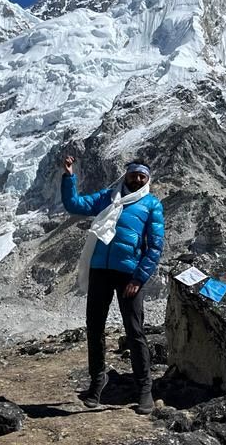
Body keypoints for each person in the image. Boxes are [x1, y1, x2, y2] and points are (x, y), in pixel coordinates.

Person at [61, 155, 165, 414]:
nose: (137, 178)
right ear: (126, 174)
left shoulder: (152, 204)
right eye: (133, 174)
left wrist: (139, 278)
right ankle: (97, 382)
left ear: (147, 179)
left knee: (135, 332)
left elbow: (155, 246)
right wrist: (69, 176)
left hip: (129, 276)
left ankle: (144, 389)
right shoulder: (108, 197)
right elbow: (73, 204)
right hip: (100, 271)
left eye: (142, 175)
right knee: (94, 328)